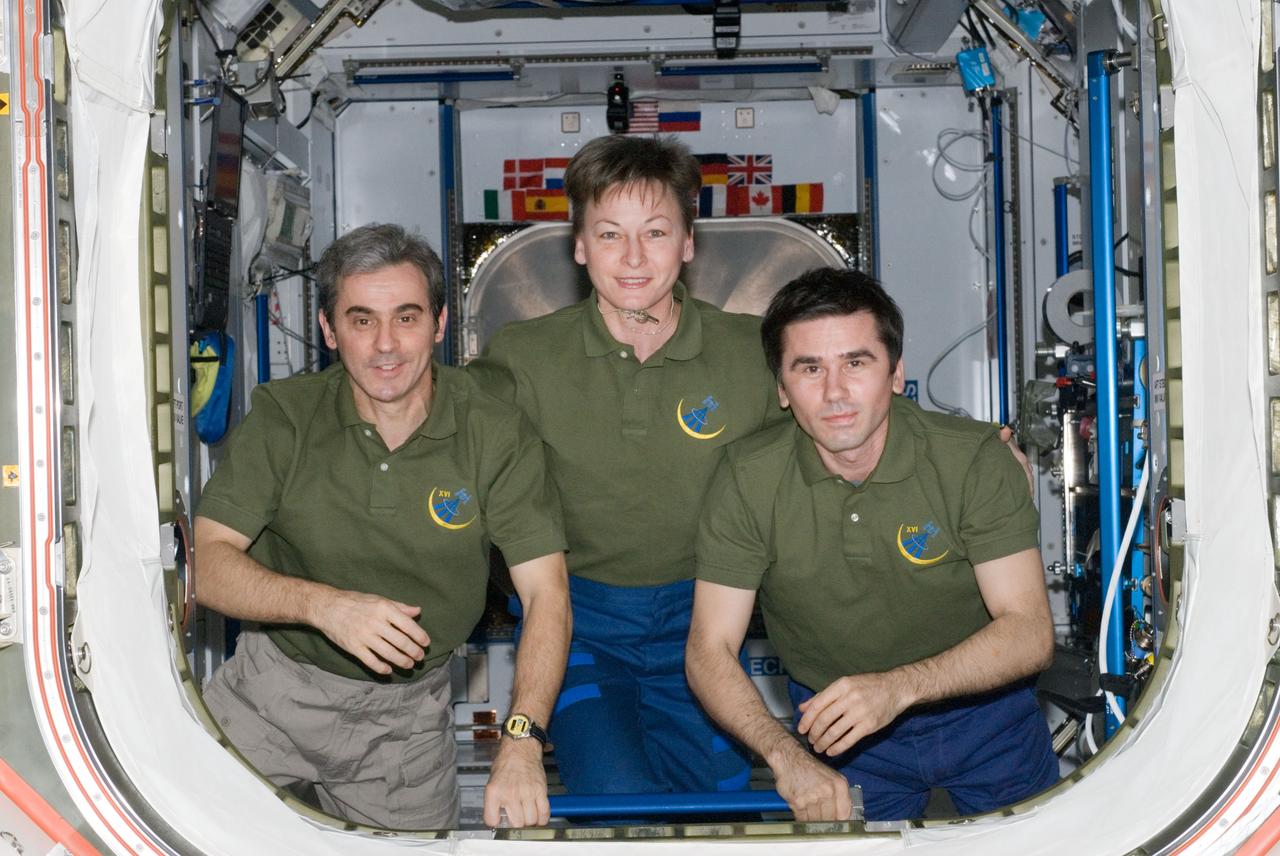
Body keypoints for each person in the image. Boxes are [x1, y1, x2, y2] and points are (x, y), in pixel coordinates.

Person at [194, 224, 571, 830]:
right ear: (328, 330)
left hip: (407, 727)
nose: (386, 345)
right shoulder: (283, 417)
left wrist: (522, 742)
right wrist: (326, 607)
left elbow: (546, 593)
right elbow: (205, 565)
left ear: (441, 324)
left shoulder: (495, 432)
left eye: (407, 317)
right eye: (362, 320)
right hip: (268, 696)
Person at [467, 135, 785, 796]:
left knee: (717, 818)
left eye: (656, 232)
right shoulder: (523, 359)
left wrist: (969, 455)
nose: (634, 258)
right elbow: (444, 450)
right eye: (610, 234)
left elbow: (841, 436)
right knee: (614, 803)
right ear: (579, 245)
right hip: (581, 630)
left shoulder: (751, 354)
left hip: (705, 635)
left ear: (689, 242)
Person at [687, 267, 1058, 822]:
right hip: (840, 732)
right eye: (809, 368)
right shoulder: (747, 478)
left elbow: (1028, 631)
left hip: (988, 717)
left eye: (855, 363)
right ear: (782, 391)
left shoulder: (973, 460)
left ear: (895, 372)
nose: (835, 392)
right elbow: (708, 649)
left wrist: (897, 689)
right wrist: (787, 758)